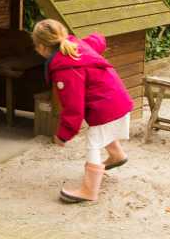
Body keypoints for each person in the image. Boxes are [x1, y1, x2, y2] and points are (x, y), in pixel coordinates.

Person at [32, 19, 132, 203]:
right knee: (103, 133)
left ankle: (89, 191)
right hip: (118, 100)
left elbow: (73, 108)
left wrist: (63, 135)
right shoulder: (77, 45)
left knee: (93, 143)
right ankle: (117, 155)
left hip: (106, 108)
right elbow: (98, 40)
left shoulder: (66, 68)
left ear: (42, 47)